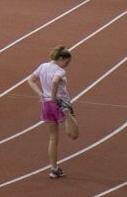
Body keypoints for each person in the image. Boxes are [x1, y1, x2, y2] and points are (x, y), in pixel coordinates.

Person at [29, 46, 79, 179]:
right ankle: (67, 114)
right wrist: (53, 96)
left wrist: (41, 94)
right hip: (60, 103)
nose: (67, 65)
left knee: (53, 138)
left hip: (46, 105)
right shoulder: (60, 71)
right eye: (67, 62)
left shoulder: (42, 66)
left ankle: (54, 169)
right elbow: (55, 81)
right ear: (61, 59)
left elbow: (30, 80)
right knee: (74, 135)